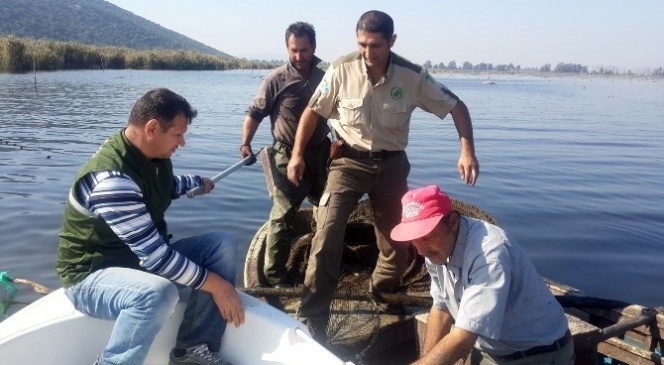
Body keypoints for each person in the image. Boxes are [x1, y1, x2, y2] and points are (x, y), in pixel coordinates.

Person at [285, 10, 480, 340]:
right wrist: (296, 155)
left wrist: (467, 151)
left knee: (397, 245)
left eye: (375, 45)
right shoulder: (341, 68)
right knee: (326, 236)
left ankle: (381, 294)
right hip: (347, 163)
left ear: (391, 41)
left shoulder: (413, 76)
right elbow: (312, 112)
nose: (368, 53)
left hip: (391, 167)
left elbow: (457, 107)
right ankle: (312, 316)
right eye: (362, 44)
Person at [56, 88, 244, 365]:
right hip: (90, 277)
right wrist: (218, 286)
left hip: (134, 263)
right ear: (152, 128)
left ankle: (192, 350)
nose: (183, 143)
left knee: (222, 246)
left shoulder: (150, 157)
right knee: (156, 294)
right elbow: (156, 257)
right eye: (178, 135)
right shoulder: (112, 179)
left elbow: (161, 186)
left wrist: (196, 183)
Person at [390, 185, 574, 365]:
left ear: (452, 222)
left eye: (426, 236)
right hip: (489, 348)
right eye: (413, 238)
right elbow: (441, 309)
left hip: (536, 354)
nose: (420, 250)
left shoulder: (491, 255)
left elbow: (463, 337)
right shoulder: (437, 249)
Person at [240, 22, 330, 288]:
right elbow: (254, 114)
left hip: (321, 154)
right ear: (287, 49)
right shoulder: (276, 79)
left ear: (313, 47)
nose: (299, 56)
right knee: (283, 215)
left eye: (304, 50)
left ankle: (321, 260)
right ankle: (275, 276)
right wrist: (246, 144)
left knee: (327, 208)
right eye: (294, 50)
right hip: (287, 155)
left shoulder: (325, 78)